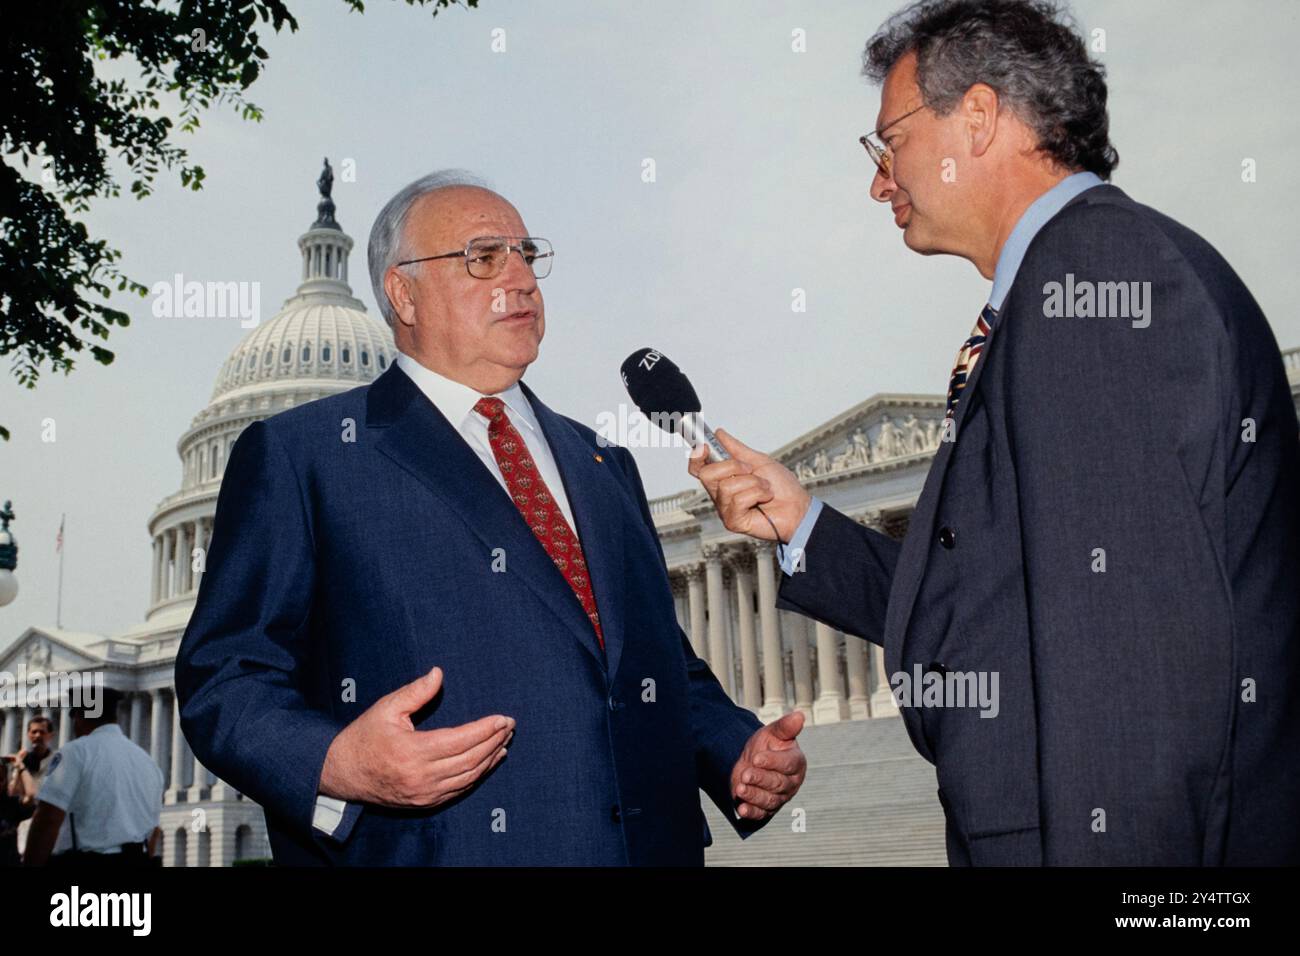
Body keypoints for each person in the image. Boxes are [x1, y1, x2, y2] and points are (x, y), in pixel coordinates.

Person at [689, 0, 1300, 865]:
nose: (877, 179)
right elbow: (998, 609)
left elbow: (1130, 682)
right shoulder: (1076, 278)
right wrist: (802, 526)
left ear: (976, 118)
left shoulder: (1092, 284)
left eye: (887, 142)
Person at [175, 170, 807, 866]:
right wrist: (334, 762)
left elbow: (656, 669)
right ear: (402, 292)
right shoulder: (305, 458)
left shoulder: (605, 465)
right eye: (483, 258)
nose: (523, 280)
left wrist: (734, 750)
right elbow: (226, 679)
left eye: (528, 256)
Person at [22, 689, 164, 866]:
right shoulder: (148, 762)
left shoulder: (75, 752)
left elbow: (48, 819)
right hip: (138, 861)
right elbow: (154, 831)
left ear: (79, 717)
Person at [5, 715, 55, 859]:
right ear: (28, 734)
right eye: (33, 732)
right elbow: (13, 793)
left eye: (42, 732)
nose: (38, 736)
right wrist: (19, 767)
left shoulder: (57, 761)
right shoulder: (24, 761)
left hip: (47, 825)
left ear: (51, 735)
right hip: (25, 826)